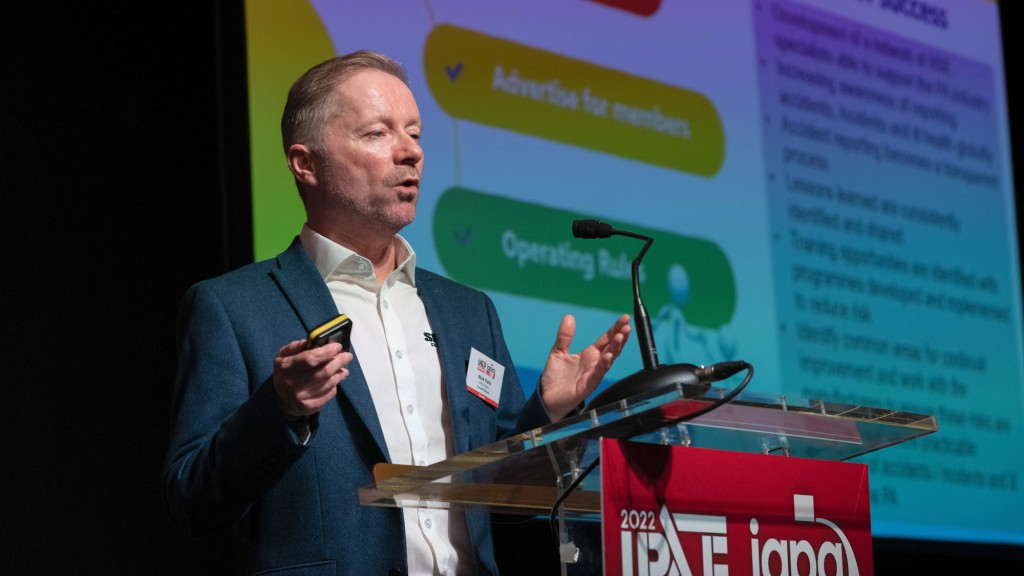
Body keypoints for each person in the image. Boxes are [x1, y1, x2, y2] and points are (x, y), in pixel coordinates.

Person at [162, 51, 631, 575]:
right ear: (305, 163)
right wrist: (280, 409)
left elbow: (503, 498)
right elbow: (192, 499)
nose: (410, 153)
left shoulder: (468, 310)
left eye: (416, 133)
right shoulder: (232, 308)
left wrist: (549, 413)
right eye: (378, 134)